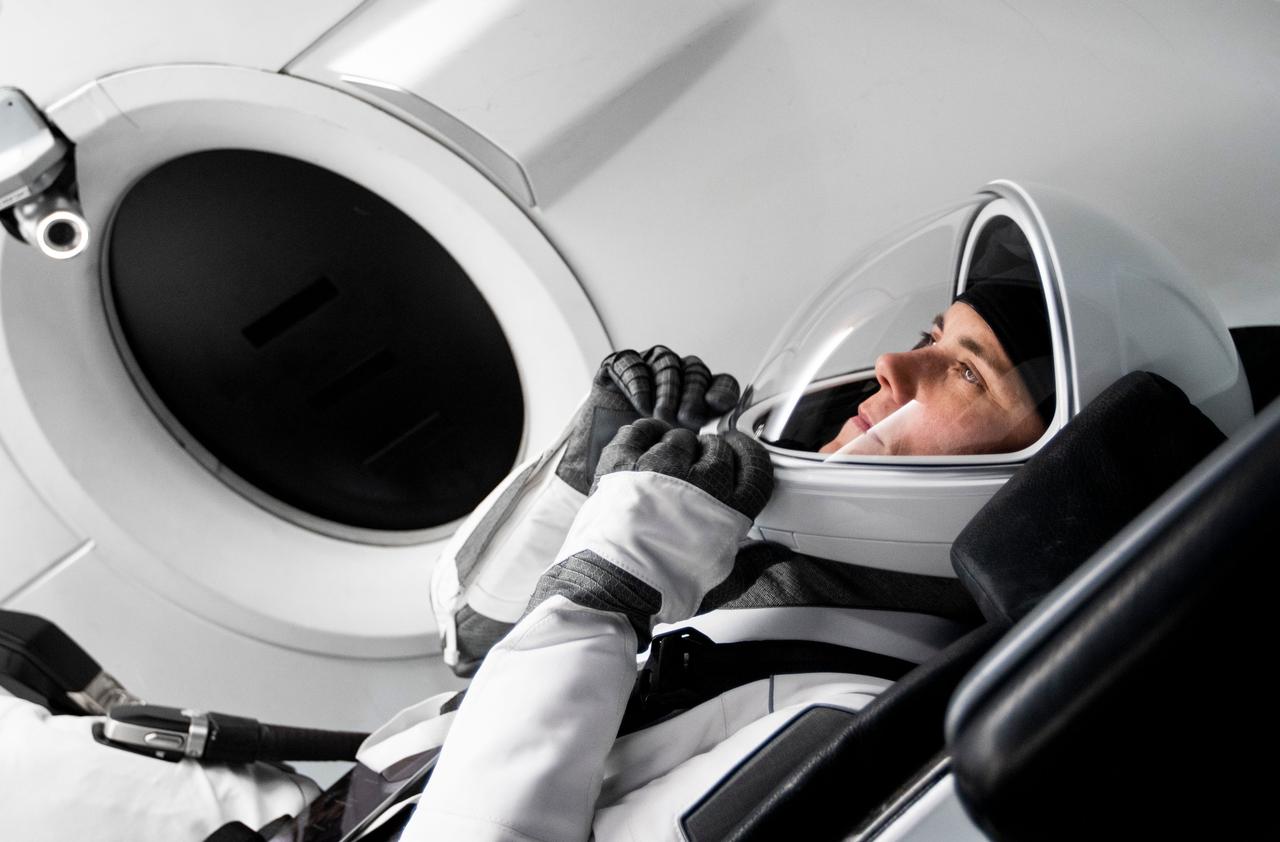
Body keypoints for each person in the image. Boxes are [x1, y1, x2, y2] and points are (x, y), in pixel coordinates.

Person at [390, 271, 1059, 841]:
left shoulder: (839, 718)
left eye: (969, 373)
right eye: (930, 337)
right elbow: (468, 637)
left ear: (1020, 485)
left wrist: (608, 583)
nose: (893, 363)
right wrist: (582, 484)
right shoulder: (754, 541)